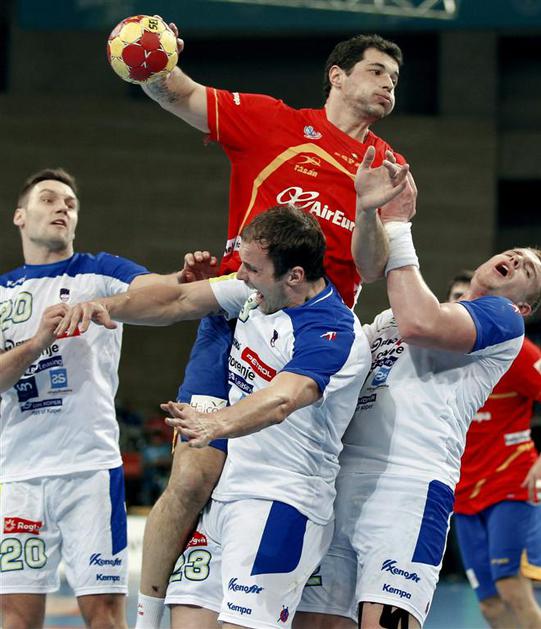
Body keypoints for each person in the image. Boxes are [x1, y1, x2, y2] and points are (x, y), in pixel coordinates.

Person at [134, 25, 416, 626]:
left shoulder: (389, 166)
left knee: (291, 484)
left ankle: (266, 600)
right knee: (193, 475)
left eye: (394, 78)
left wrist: (369, 207)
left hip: (315, 332)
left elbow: (372, 267)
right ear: (337, 75)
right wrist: (150, 61)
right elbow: (179, 94)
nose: (388, 85)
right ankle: (147, 613)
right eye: (376, 71)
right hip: (239, 313)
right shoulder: (270, 122)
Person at [55, 204, 372, 629]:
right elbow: (178, 299)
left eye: (252, 269)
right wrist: (102, 306)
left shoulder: (332, 332)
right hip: (224, 499)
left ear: (294, 276)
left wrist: (214, 423)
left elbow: (283, 398)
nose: (240, 275)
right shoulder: (256, 293)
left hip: (278, 503)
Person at [295, 153, 541, 628]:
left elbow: (420, 323)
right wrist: (366, 212)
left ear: (524, 307)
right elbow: (340, 361)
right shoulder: (390, 319)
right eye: (515, 253)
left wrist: (397, 223)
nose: (516, 259)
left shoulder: (503, 321)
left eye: (527, 270)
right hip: (339, 478)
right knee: (314, 622)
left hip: (409, 487)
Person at [0, 168, 215, 629]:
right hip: (17, 476)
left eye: (70, 203)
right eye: (49, 199)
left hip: (90, 471)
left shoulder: (99, 271)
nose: (62, 207)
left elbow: (158, 292)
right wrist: (37, 343)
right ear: (20, 216)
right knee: (15, 618)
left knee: (104, 615)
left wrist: (184, 280)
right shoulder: (2, 292)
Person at [447, 271, 541, 628]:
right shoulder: (443, 354)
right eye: (456, 298)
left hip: (510, 485)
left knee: (512, 588)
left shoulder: (517, 351)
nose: (464, 303)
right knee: (489, 604)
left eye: (470, 296)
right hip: (463, 494)